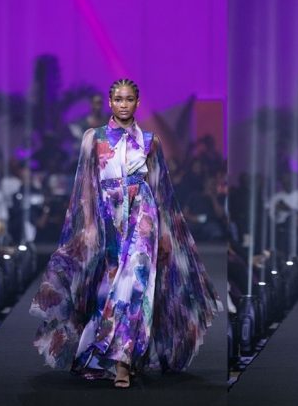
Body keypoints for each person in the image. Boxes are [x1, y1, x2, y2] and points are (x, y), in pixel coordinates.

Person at [30, 78, 219, 388]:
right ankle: (106, 351)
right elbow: (85, 186)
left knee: (135, 284)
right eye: (118, 99)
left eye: (129, 99)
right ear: (110, 102)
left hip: (143, 214)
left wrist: (166, 235)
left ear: (137, 103)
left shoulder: (151, 141)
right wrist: (87, 226)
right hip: (107, 216)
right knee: (109, 285)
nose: (123, 104)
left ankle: (123, 361)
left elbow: (161, 190)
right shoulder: (93, 138)